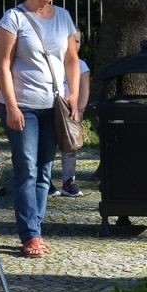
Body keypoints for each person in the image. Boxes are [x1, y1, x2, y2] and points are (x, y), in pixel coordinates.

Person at [0, 0, 80, 258]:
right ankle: (29, 234)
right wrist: (13, 107)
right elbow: (2, 64)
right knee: (26, 170)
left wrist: (74, 97)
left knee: (45, 170)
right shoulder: (13, 19)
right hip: (23, 106)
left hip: (53, 106)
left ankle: (36, 227)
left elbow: (71, 60)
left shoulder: (63, 17)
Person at [58, 55, 91, 197]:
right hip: (51, 106)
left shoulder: (81, 64)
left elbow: (85, 88)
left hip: (70, 110)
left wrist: (80, 109)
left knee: (70, 145)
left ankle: (68, 180)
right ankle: (44, 181)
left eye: (77, 41)